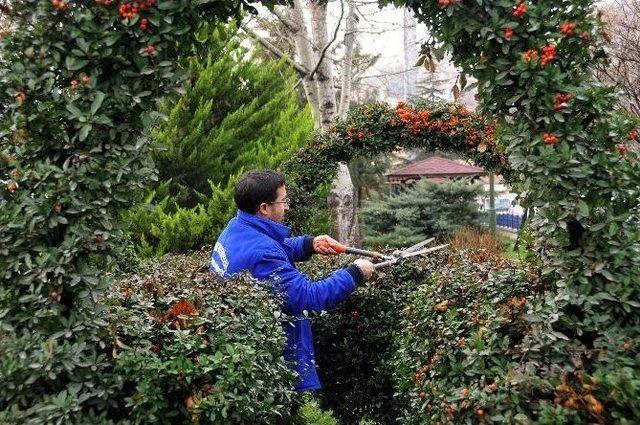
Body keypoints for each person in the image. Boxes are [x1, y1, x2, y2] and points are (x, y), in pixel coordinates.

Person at [210, 169, 376, 393]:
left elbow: (271, 247)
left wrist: (309, 244)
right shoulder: (262, 253)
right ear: (265, 208)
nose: (287, 206)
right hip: (271, 367)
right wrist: (355, 273)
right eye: (284, 200)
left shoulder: (238, 227)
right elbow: (309, 297)